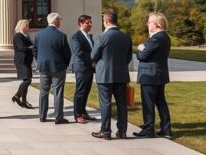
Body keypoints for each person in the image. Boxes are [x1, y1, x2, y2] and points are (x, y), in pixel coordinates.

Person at [90, 10, 133, 140]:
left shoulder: (102, 37)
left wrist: (96, 62)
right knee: (121, 103)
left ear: (107, 21)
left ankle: (106, 131)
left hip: (104, 75)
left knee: (105, 103)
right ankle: (122, 131)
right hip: (121, 75)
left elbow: (93, 55)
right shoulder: (126, 37)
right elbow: (129, 57)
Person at [134, 12, 174, 139]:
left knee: (148, 103)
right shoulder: (165, 37)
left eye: (149, 22)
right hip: (159, 74)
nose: (147, 24)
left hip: (150, 75)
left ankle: (149, 129)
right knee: (161, 102)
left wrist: (140, 49)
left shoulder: (156, 38)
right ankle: (166, 129)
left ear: (156, 24)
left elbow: (142, 56)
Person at [34, 12, 72, 123]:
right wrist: (65, 64)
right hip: (58, 67)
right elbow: (67, 53)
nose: (60, 22)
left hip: (43, 67)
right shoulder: (61, 36)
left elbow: (35, 51)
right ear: (55, 21)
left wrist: (40, 60)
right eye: (59, 20)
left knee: (43, 91)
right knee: (58, 92)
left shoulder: (38, 35)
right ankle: (58, 117)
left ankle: (42, 116)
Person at [70, 14, 97, 124]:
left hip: (90, 68)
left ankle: (83, 112)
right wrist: (92, 60)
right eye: (87, 22)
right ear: (80, 23)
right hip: (81, 67)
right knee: (80, 91)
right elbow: (79, 52)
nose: (90, 24)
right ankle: (77, 115)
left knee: (86, 91)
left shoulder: (89, 36)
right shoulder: (76, 36)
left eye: (91, 22)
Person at [11, 19, 35, 109]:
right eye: (27, 25)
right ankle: (19, 98)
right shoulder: (18, 36)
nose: (28, 27)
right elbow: (21, 47)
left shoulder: (26, 36)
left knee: (27, 80)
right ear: (22, 26)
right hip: (21, 61)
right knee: (27, 80)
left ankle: (19, 98)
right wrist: (31, 48)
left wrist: (31, 47)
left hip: (27, 61)